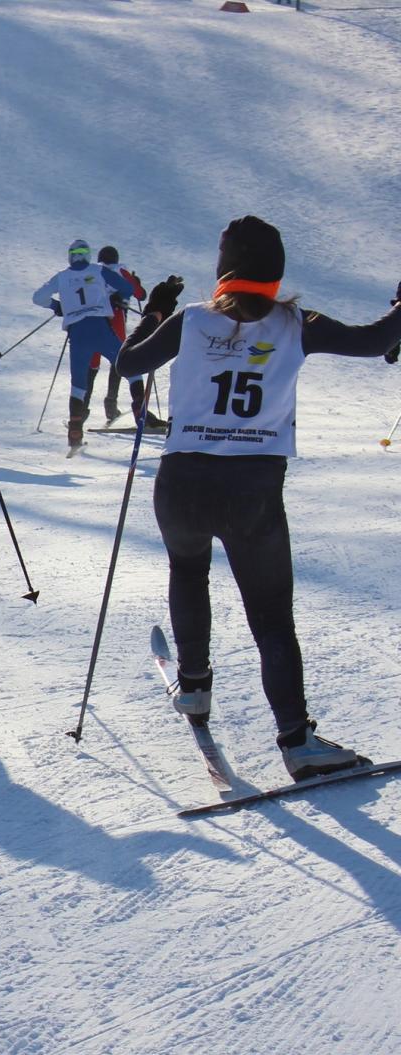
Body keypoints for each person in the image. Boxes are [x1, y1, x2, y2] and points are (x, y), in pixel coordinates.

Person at [116, 216, 401, 781]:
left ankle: (194, 687)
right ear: (275, 270)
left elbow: (128, 363)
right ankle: (297, 741)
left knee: (188, 571)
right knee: (271, 619)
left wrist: (154, 310)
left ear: (224, 269)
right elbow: (375, 342)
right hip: (252, 491)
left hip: (182, 484)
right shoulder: (298, 323)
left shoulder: (191, 320)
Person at [32, 238, 141, 455]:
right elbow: (127, 288)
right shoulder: (98, 270)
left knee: (78, 385)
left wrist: (57, 306)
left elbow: (38, 297)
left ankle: (75, 434)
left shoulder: (62, 277)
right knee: (130, 367)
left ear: (70, 256)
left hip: (78, 334)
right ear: (88, 255)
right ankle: (141, 412)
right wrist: (120, 299)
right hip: (101, 328)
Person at [82, 245, 159, 429]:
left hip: (91, 324)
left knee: (91, 366)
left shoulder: (91, 273)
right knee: (120, 362)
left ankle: (79, 414)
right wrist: (136, 282)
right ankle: (113, 406)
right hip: (114, 323)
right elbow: (141, 295)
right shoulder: (121, 271)